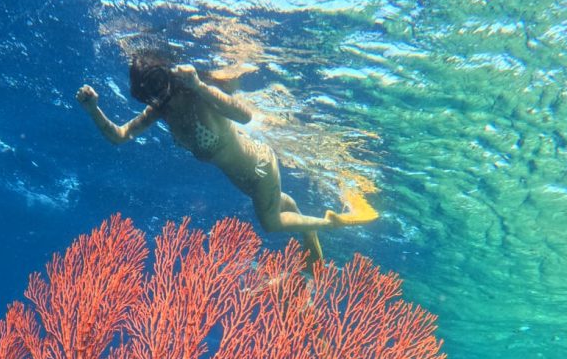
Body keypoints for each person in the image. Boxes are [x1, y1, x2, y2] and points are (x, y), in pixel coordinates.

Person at [75, 51, 377, 269]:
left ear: (166, 73)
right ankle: (308, 236)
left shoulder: (197, 95)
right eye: (148, 92)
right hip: (244, 178)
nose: (157, 95)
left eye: (157, 83)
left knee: (271, 223)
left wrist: (198, 85)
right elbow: (119, 135)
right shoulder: (160, 113)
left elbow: (245, 115)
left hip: (258, 168)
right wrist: (92, 109)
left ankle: (333, 222)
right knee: (278, 205)